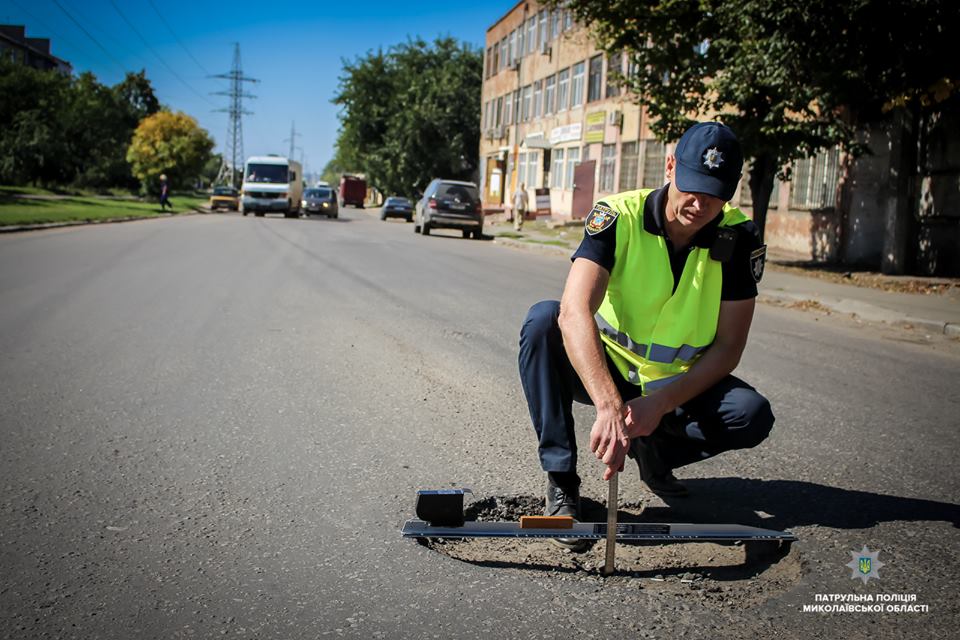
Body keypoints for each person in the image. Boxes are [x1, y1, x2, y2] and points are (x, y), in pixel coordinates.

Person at [518, 122, 773, 549]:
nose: (699, 202)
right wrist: (609, 406)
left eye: (715, 192)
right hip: (608, 371)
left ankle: (655, 452)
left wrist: (658, 404)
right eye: (691, 186)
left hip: (674, 386)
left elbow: (729, 347)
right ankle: (562, 482)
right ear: (670, 166)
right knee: (543, 321)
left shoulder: (739, 237)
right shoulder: (618, 218)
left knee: (750, 414)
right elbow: (573, 310)